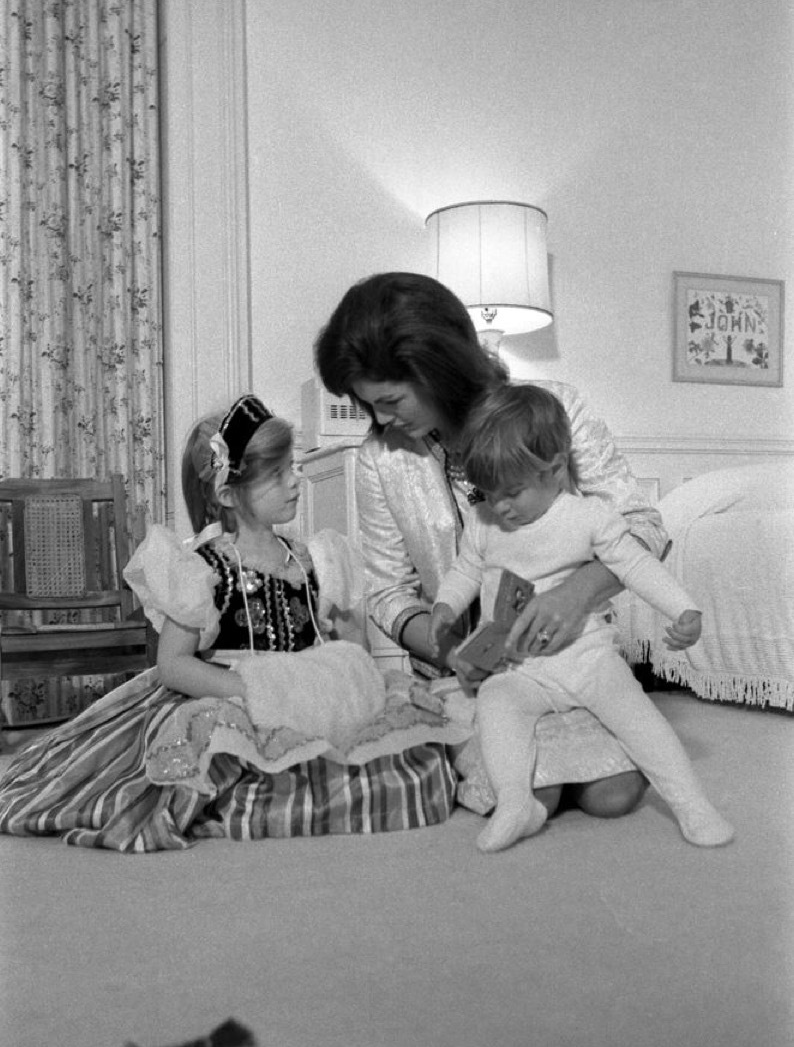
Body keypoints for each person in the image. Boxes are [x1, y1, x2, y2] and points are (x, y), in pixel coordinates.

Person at [0, 395, 458, 852]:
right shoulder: (205, 568)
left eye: (292, 468)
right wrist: (245, 691)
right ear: (227, 494)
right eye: (277, 475)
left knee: (405, 749)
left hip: (307, 696)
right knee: (208, 742)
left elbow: (345, 638)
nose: (295, 482)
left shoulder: (315, 557)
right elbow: (173, 665)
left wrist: (347, 681)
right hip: (234, 690)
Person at [314, 271, 671, 821]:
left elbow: (644, 524)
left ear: (438, 370)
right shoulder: (381, 457)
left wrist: (576, 593)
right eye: (370, 407)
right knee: (533, 794)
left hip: (570, 658)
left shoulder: (552, 409)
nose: (382, 420)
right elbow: (388, 593)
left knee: (615, 796)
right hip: (467, 676)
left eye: (389, 400)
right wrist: (449, 650)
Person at [428, 383, 734, 852]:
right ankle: (516, 803)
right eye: (489, 493)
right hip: (519, 666)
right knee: (496, 707)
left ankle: (692, 803)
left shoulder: (588, 516)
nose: (501, 506)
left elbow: (634, 564)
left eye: (512, 492)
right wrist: (446, 606)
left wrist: (682, 608)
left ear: (553, 469)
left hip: (586, 656)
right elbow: (466, 569)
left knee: (639, 718)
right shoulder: (486, 521)